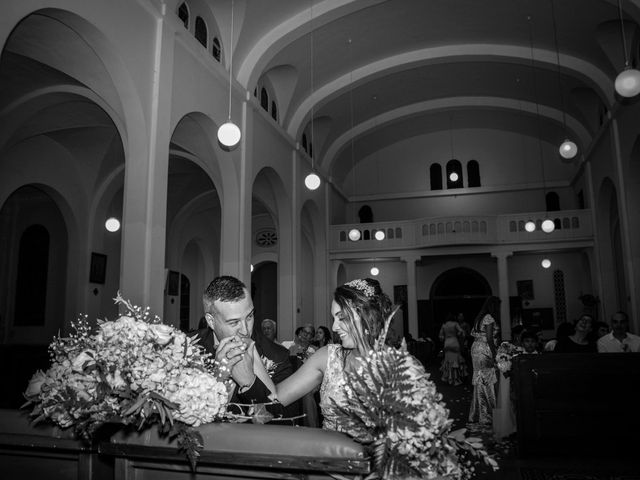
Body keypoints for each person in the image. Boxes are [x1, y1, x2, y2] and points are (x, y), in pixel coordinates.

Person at [273, 278, 395, 432]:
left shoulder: (401, 366)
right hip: (329, 453)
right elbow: (276, 398)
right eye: (333, 318)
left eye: (342, 317)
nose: (334, 326)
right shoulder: (327, 357)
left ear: (366, 316)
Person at [190, 275, 297, 420]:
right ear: (211, 321)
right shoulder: (186, 348)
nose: (246, 331)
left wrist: (250, 384)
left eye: (249, 316)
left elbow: (286, 423)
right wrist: (218, 377)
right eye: (234, 323)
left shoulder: (277, 356)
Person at [468, 296, 500, 428]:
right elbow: (489, 338)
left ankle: (478, 413)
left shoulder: (480, 317)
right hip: (485, 349)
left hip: (476, 347)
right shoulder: (489, 317)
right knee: (488, 379)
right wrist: (495, 353)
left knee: (480, 379)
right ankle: (487, 414)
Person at [438, 313, 468, 386]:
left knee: (448, 361)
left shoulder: (444, 325)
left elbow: (440, 336)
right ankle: (455, 378)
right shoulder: (455, 324)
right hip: (454, 342)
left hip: (447, 343)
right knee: (455, 360)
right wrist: (459, 335)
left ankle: (449, 378)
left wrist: (443, 338)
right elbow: (461, 332)